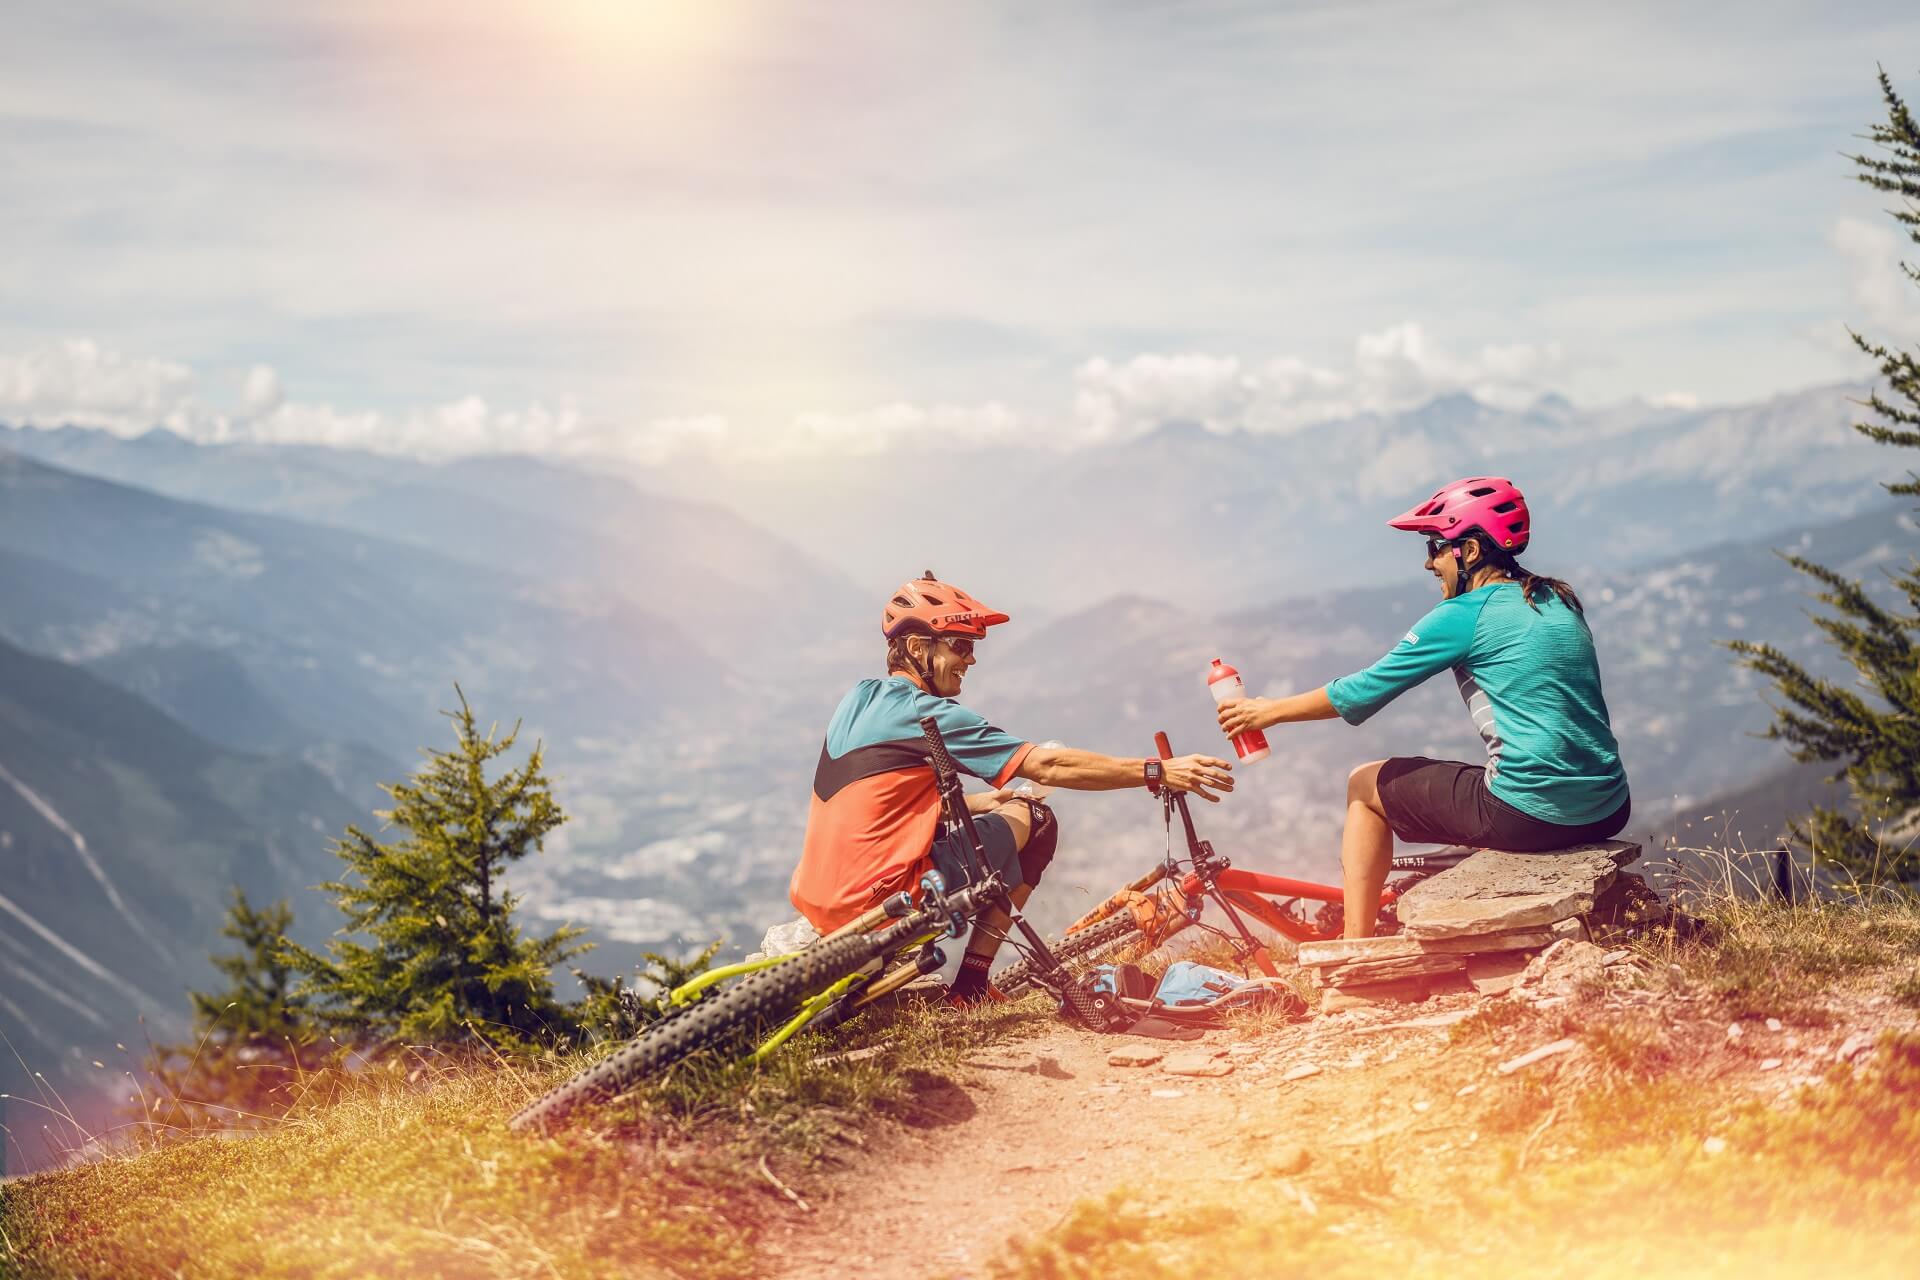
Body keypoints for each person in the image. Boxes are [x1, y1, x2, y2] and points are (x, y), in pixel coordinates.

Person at [790, 572, 1235, 1004]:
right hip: (890, 903)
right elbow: (1048, 764)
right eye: (960, 646)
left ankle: (967, 983)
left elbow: (882, 807)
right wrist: (1157, 771)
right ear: (914, 647)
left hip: (824, 903)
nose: (971, 659)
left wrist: (988, 801)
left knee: (1007, 808)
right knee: (1037, 821)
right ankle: (971, 987)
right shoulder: (925, 714)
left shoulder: (859, 700)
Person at [1215, 477, 1630, 939]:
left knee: (1364, 786)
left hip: (1529, 815)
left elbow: (1361, 693)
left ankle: (1354, 947)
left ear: (1469, 552)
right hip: (1609, 806)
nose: (1429, 562)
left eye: (1435, 546)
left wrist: (1267, 712)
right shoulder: (1556, 598)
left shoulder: (1463, 615)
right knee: (1467, 778)